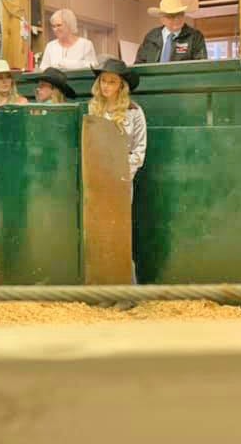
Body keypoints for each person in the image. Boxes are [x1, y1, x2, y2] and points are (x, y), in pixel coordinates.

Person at [89, 57, 147, 311]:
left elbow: (139, 150)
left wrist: (124, 173)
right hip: (96, 178)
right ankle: (108, 291)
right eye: (103, 81)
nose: (106, 86)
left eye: (112, 81)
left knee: (120, 236)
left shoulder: (134, 111)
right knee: (101, 237)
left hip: (121, 180)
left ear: (121, 85)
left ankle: (128, 292)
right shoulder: (93, 110)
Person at [135, 0, 208, 64]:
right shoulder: (151, 37)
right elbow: (139, 65)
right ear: (162, 19)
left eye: (180, 15)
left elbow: (201, 65)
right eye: (171, 16)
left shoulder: (195, 37)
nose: (177, 19)